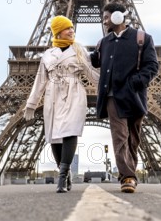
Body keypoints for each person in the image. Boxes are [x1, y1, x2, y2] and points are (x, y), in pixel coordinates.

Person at [24, 15, 98, 193]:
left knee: (70, 131)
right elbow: (40, 80)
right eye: (67, 28)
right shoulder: (48, 54)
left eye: (72, 27)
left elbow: (93, 74)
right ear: (58, 31)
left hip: (74, 92)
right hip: (53, 94)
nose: (72, 30)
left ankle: (62, 178)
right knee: (54, 136)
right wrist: (31, 104)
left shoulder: (80, 50)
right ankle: (65, 173)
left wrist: (112, 87)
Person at [90, 2, 159, 193]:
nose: (103, 21)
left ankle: (129, 174)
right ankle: (128, 177)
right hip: (112, 95)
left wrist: (134, 83)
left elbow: (152, 66)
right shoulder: (104, 43)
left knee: (133, 139)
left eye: (106, 17)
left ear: (117, 17)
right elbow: (94, 61)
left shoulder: (142, 38)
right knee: (120, 136)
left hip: (134, 95)